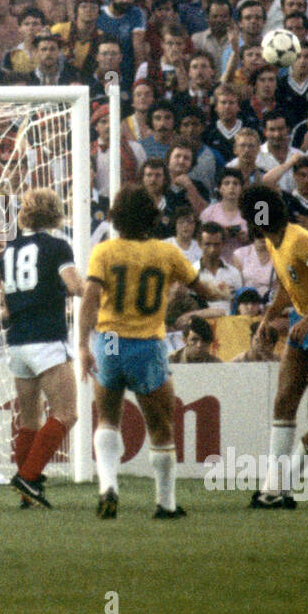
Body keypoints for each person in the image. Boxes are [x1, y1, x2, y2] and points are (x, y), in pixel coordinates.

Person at [79, 183, 228, 519]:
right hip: (146, 345)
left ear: (116, 217)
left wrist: (83, 347)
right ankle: (165, 503)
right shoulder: (166, 253)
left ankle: (108, 486)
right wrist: (219, 292)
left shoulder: (104, 252)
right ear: (152, 216)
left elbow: (88, 302)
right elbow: (200, 287)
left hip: (110, 341)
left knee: (107, 418)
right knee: (160, 426)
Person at [239, 185, 308, 509]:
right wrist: (268, 317)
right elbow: (289, 290)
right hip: (303, 325)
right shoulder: (274, 243)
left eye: (253, 214)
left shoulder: (300, 239)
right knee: (284, 401)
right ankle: (276, 489)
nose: (252, 221)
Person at [4, 189, 85, 509]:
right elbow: (75, 286)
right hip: (46, 337)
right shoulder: (56, 245)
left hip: (17, 341)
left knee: (29, 420)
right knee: (67, 413)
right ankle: (28, 476)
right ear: (54, 213)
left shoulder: (8, 249)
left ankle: (28, 492)